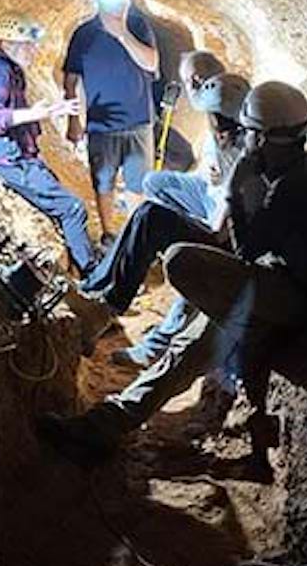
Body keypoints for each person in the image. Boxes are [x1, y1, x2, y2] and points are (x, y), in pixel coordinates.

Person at [37, 81, 307, 471]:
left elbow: (245, 250)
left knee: (186, 274)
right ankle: (105, 420)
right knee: (189, 324)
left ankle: (104, 426)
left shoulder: (297, 187)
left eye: (251, 132)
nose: (245, 138)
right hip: (270, 279)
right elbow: (245, 247)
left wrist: (238, 188)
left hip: (294, 297)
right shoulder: (282, 171)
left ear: (265, 136)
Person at [87, 71, 251, 368]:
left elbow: (220, 232)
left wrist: (184, 227)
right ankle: (96, 287)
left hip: (232, 244)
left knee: (157, 225)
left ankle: (116, 312)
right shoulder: (232, 139)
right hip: (220, 214)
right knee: (151, 198)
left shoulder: (245, 159)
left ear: (217, 118)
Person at [0, 12, 95, 274]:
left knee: (60, 198)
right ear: (9, 42)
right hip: (11, 161)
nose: (34, 50)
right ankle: (93, 277)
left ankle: (79, 263)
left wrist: (49, 110)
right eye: (29, 44)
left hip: (21, 156)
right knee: (72, 209)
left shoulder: (12, 70)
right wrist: (34, 114)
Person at [63, 0, 159, 245]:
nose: (114, 4)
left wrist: (122, 34)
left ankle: (135, 238)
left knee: (137, 185)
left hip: (139, 123)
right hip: (101, 127)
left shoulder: (139, 27)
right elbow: (70, 79)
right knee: (103, 182)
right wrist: (74, 120)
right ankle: (108, 235)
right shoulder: (84, 34)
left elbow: (151, 63)